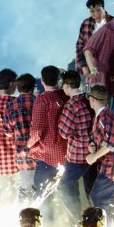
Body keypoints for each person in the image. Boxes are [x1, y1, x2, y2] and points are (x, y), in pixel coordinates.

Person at [85, 84, 114, 222]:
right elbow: (104, 139)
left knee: (98, 197)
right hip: (113, 163)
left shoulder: (105, 117)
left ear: (92, 99)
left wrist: (93, 156)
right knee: (108, 199)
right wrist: (93, 146)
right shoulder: (101, 116)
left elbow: (110, 144)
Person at [27, 65, 69, 217]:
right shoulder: (66, 96)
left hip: (48, 155)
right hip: (67, 154)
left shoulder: (42, 100)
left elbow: (37, 131)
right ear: (59, 80)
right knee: (67, 194)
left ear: (42, 81)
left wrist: (27, 147)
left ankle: (48, 226)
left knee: (43, 193)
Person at [57, 70, 96, 227]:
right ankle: (96, 222)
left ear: (66, 86)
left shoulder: (71, 104)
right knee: (91, 190)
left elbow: (64, 132)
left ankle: (78, 223)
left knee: (64, 186)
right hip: (93, 153)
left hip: (77, 155)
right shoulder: (88, 99)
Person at [3, 73, 37, 204]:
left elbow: (7, 131)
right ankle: (40, 214)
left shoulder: (10, 106)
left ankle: (22, 214)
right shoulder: (38, 102)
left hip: (21, 151)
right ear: (33, 87)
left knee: (25, 186)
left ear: (17, 89)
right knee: (39, 186)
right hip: (38, 150)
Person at [75, 0, 114, 78]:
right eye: (92, 11)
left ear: (103, 8)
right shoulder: (86, 24)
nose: (96, 14)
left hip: (111, 68)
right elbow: (79, 47)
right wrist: (84, 67)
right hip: (92, 69)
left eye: (98, 10)